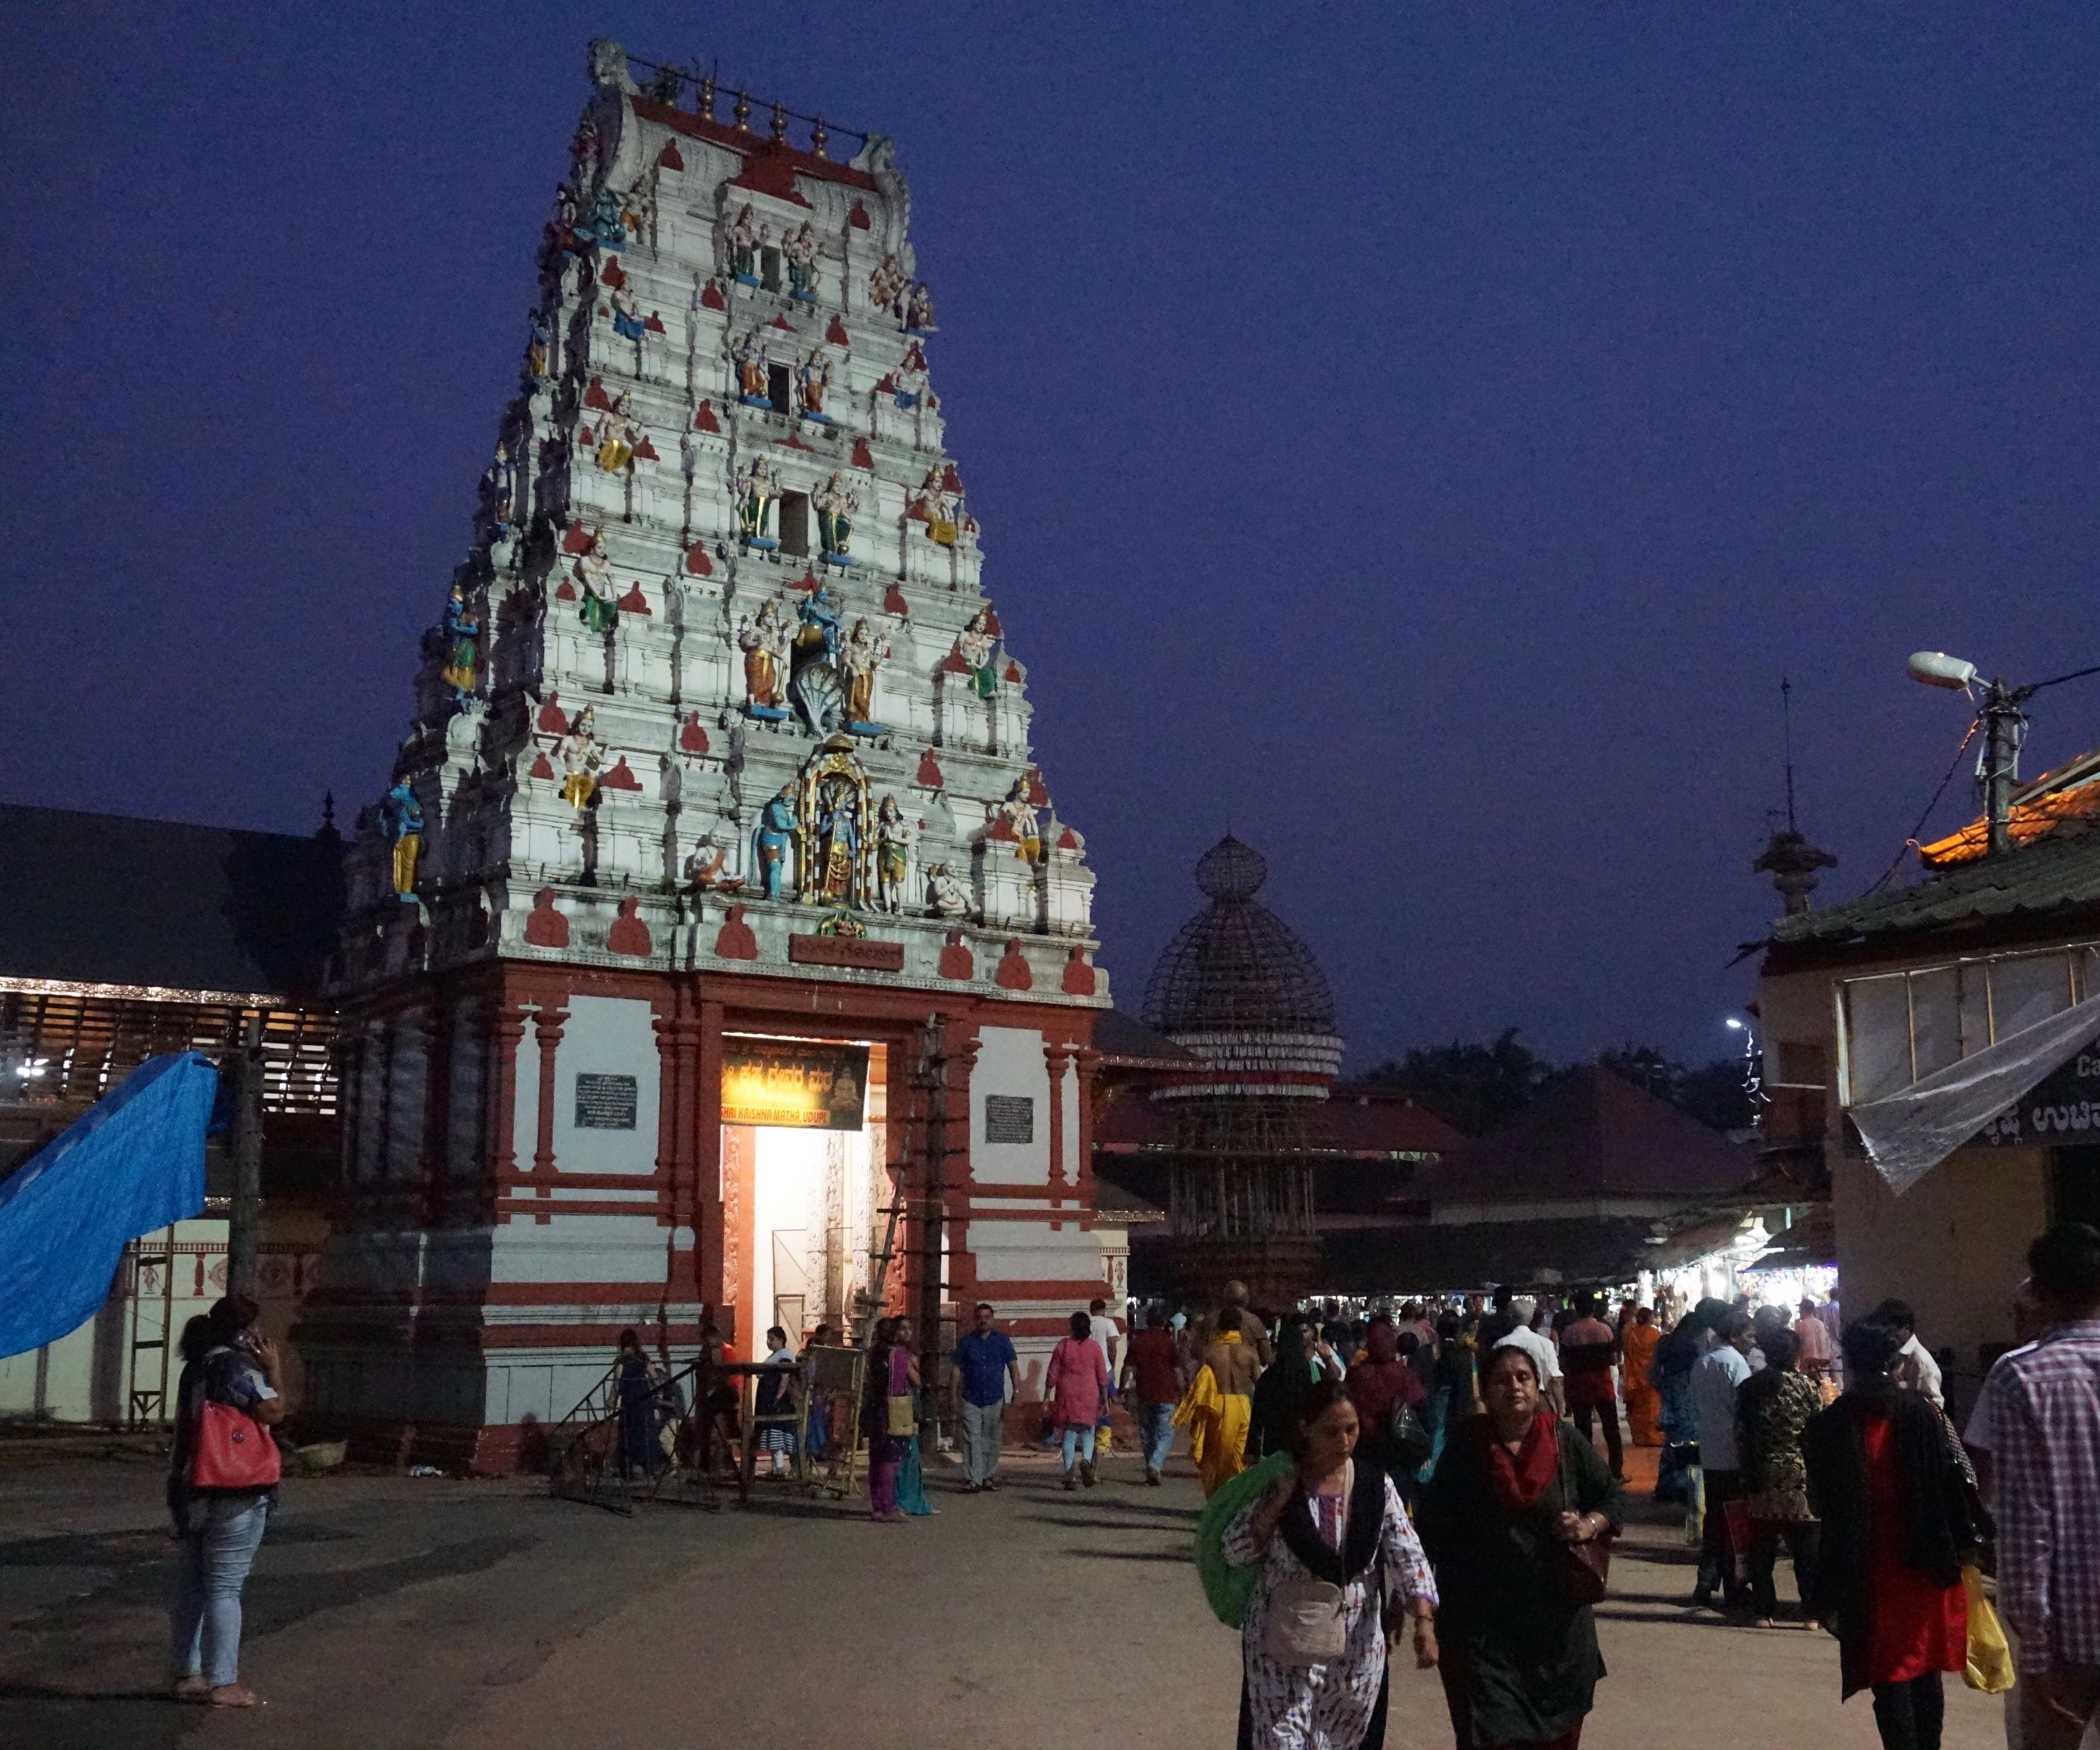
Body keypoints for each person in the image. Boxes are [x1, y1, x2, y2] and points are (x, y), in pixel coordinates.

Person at [1419, 1344, 1625, 1750]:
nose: (1513, 1387)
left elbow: (1610, 1497)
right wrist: (1422, 1613)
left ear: (1536, 1385)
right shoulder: (1466, 1448)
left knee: (1556, 1738)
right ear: (1486, 1389)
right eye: (1501, 1379)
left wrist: (1587, 1525)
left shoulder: (1563, 1441)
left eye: (1523, 1377)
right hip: (1482, 1630)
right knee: (1491, 1736)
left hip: (1558, 1634)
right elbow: (1430, 1529)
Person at [1222, 1379, 1439, 1750]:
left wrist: (1424, 1622)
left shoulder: (1375, 1487)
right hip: (1281, 1645)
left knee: (1340, 1742)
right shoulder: (1277, 1483)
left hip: (1354, 1651)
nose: (1343, 1442)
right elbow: (1235, 1550)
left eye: (1351, 1430)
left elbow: (1407, 1553)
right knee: (1280, 1740)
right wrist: (1274, 1506)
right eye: (1331, 1431)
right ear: (1306, 1429)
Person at [1803, 1321, 1984, 1750]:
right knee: (1924, 1672)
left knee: (1889, 1677)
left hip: (1869, 1569)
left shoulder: (1831, 1423)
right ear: (1894, 1361)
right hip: (1928, 1561)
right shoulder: (1926, 1412)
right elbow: (1961, 1478)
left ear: (1850, 1362)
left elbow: (1818, 1501)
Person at [1967, 1222, 2100, 1750]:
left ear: (2040, 1290)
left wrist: (2034, 1655)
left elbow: (2027, 1525)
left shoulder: (2020, 1374)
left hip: (2067, 1635)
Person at [167, 1294, 287, 1708]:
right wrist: (274, 1370)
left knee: (193, 1582)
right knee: (225, 1586)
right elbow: (273, 1412)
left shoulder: (195, 1368)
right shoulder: (237, 1368)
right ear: (245, 1331)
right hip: (236, 1487)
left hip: (191, 1485)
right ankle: (225, 1682)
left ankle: (188, 1672)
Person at [1735, 1326, 1823, 1628]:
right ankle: (1811, 1613)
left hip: (1762, 1472)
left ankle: (1763, 1611)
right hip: (1800, 1474)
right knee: (1806, 1548)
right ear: (1795, 1355)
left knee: (1762, 1547)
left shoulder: (1749, 1388)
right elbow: (1818, 1432)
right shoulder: (1808, 1388)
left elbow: (1742, 1437)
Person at [1691, 1308, 1757, 1609]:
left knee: (1713, 1519)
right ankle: (1734, 1586)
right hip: (1732, 1452)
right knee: (1734, 1522)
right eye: (1749, 1336)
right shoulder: (1736, 1364)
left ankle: (1705, 1583)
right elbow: (1744, 1410)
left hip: (1710, 1451)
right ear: (1734, 1336)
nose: (1752, 1342)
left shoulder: (1702, 1363)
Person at [1176, 1306, 1262, 1497]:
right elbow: (1259, 1383)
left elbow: (1203, 1383)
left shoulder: (1210, 1352)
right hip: (1243, 1407)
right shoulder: (1250, 1352)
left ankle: (1216, 1500)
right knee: (1240, 1459)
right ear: (1240, 1326)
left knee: (1215, 1460)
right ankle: (1237, 1500)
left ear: (1219, 1325)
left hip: (1218, 1408)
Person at [1343, 1315, 1427, 1498]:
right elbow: (1421, 1405)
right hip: (1397, 1456)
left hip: (1365, 1456)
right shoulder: (1404, 1374)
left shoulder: (1357, 1375)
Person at [949, 1301, 1019, 1493]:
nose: (984, 1321)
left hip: (995, 1398)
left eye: (987, 1318)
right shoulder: (967, 1343)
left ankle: (988, 1476)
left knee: (992, 1439)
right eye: (980, 1318)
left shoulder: (1002, 1341)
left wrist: (1016, 1392)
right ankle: (973, 1479)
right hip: (971, 1398)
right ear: (975, 1320)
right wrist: (953, 1395)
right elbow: (957, 1370)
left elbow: (1013, 1367)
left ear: (993, 1319)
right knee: (972, 1439)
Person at [861, 1316, 920, 1522]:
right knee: (890, 1461)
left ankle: (878, 1507)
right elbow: (913, 1382)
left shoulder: (874, 1355)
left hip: (874, 1409)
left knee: (876, 1460)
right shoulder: (900, 1357)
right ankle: (889, 1508)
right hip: (893, 1410)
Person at [1044, 1309, 1111, 1490]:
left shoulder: (1063, 1346)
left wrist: (1046, 1397)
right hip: (1090, 1393)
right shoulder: (1095, 1348)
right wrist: (1105, 1400)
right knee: (1088, 1432)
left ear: (1072, 1327)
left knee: (1069, 1434)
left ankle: (1070, 1475)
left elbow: (1052, 1374)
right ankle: (1087, 1461)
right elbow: (1102, 1376)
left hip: (1067, 1393)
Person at [1559, 1294, 1623, 1480]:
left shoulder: (1569, 1333)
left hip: (1579, 1386)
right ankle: (1616, 1472)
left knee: (1583, 1432)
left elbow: (1564, 1362)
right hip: (1603, 1385)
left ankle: (1587, 1475)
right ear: (1593, 1309)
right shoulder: (1605, 1330)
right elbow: (1613, 1360)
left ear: (1577, 1310)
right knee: (1612, 1430)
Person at [1119, 1306, 1183, 1486]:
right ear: (1163, 1323)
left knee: (1147, 1433)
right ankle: (1155, 1465)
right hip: (1166, 1394)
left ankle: (1152, 1466)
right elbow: (1177, 1370)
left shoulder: (1138, 1341)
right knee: (1167, 1433)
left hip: (1144, 1393)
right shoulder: (1169, 1343)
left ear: (1147, 1322)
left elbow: (1128, 1368)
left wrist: (1122, 1389)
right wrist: (1183, 1392)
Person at [1249, 1319, 1322, 1463]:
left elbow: (1257, 1416)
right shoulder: (1313, 1372)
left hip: (1273, 1446)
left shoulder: (1268, 1377)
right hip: (1304, 1445)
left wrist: (1251, 1450)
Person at [1493, 1299, 1564, 1415]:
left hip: (1510, 1402)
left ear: (1511, 1316)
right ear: (1531, 1316)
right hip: (1540, 1402)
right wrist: (1560, 1412)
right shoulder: (1546, 1344)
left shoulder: (1501, 1344)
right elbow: (1556, 1380)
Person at [1873, 1299, 1945, 1409]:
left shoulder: (1921, 1361)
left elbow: (1935, 1407)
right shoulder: (1893, 1353)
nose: (1885, 1334)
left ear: (1906, 1328)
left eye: (1890, 1329)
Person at [753, 1326, 798, 1477]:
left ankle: (779, 1469)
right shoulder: (772, 1357)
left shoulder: (785, 1355)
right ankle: (775, 1469)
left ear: (781, 1340)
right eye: (768, 1339)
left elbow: (785, 1378)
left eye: (772, 1339)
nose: (769, 1342)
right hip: (767, 1402)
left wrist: (778, 1398)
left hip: (778, 1403)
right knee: (771, 1434)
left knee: (777, 1433)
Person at [1620, 1306, 1664, 1447]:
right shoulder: (1655, 1334)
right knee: (1652, 1409)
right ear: (1650, 1318)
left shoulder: (1630, 1333)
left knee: (1638, 1411)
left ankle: (1640, 1438)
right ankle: (1654, 1438)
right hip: (1651, 1377)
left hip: (1634, 1378)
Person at [1087, 1298, 1121, 1456]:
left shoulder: (1086, 1323)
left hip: (1087, 1370)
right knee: (1107, 1404)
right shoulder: (1108, 1323)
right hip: (1105, 1368)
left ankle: (1090, 1439)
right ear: (1104, 1309)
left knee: (1091, 1404)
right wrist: (1113, 1366)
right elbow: (1112, 1346)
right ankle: (1103, 1443)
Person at [1796, 1298, 1836, 1387]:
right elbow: (1829, 1344)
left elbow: (1797, 1347)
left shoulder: (1801, 1326)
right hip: (1824, 1367)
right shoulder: (1821, 1324)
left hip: (1809, 1367)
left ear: (1803, 1310)